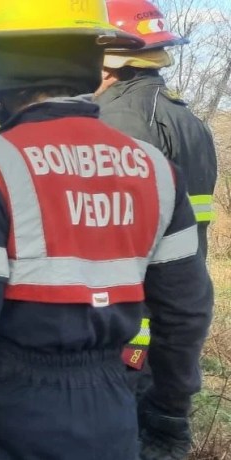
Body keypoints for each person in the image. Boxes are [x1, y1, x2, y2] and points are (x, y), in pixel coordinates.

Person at [0, 2, 214, 460]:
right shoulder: (157, 171)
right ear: (90, 57)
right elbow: (186, 312)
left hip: (7, 414)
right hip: (112, 412)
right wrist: (169, 412)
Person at [96, 0, 219, 408]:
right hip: (176, 301)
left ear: (105, 58)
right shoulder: (188, 119)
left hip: (126, 313)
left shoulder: (114, 120)